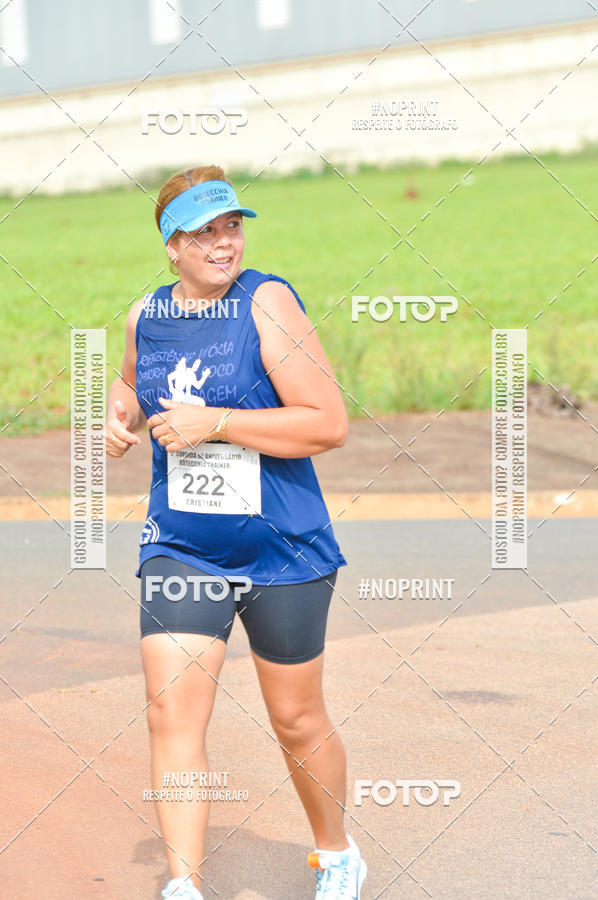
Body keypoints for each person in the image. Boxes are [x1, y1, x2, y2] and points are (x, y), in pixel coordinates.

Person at [106, 165, 367, 899]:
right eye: (204, 233)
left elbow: (328, 424)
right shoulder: (146, 315)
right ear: (171, 246)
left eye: (233, 226)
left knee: (295, 716)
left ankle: (336, 851)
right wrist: (119, 417)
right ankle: (183, 886)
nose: (225, 244)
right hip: (181, 543)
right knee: (172, 714)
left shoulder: (267, 302)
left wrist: (217, 423)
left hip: (281, 545)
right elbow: (132, 381)